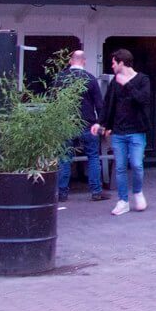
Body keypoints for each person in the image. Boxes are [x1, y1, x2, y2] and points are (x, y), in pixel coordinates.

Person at [94, 49, 152, 216]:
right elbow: (108, 105)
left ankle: (138, 192)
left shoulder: (142, 79)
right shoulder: (114, 83)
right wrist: (101, 123)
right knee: (119, 167)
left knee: (136, 164)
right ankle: (122, 201)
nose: (112, 66)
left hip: (137, 130)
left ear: (121, 63)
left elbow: (143, 99)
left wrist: (127, 84)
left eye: (113, 62)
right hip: (119, 131)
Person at [56, 50, 108, 202]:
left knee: (64, 158)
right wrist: (100, 124)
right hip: (87, 124)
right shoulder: (90, 78)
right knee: (93, 157)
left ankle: (62, 193)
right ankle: (96, 191)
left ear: (70, 61)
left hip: (66, 124)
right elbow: (99, 104)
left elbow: (53, 101)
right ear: (84, 61)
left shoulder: (60, 78)